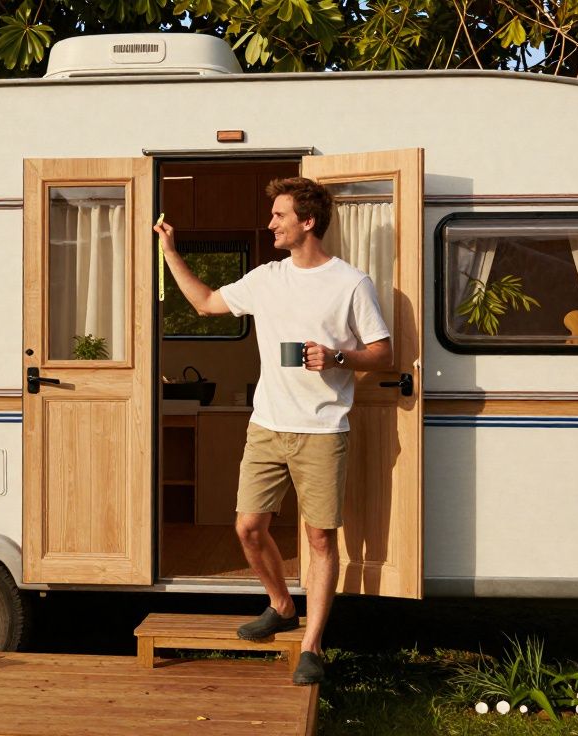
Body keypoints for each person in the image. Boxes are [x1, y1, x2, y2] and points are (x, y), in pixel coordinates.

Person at [154, 177, 392, 685]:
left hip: (322, 429)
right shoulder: (266, 278)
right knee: (248, 528)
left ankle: (312, 646)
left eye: (279, 215)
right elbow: (206, 303)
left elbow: (382, 352)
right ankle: (281, 605)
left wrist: (338, 357)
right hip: (266, 426)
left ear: (308, 222)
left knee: (320, 538)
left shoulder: (351, 283)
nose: (270, 224)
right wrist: (170, 253)